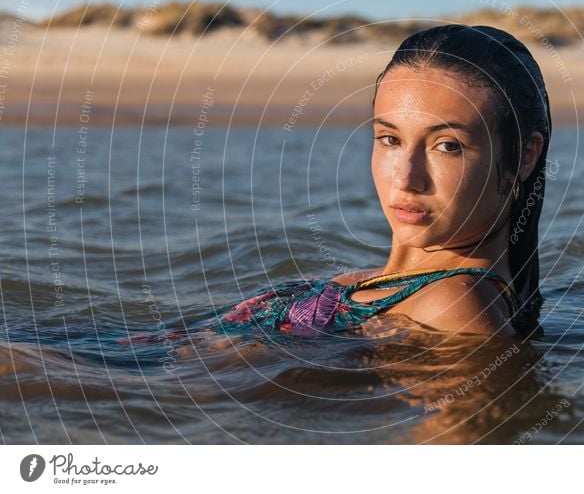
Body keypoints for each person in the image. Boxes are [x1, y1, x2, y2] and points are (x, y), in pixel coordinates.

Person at [121, 23, 552, 347]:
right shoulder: (394, 283)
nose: (406, 177)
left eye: (447, 146)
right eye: (390, 139)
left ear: (525, 155)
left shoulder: (454, 309)